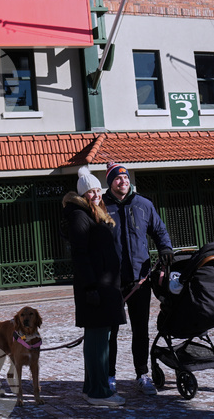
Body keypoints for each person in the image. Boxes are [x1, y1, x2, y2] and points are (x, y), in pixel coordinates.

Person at [103, 162, 173, 396]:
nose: (122, 181)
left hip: (139, 279)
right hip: (112, 281)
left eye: (125, 177)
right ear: (110, 183)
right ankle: (109, 376)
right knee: (110, 332)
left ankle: (142, 374)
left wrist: (165, 248)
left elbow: (159, 230)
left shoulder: (143, 204)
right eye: (117, 178)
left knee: (140, 330)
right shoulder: (101, 206)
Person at [62, 166, 126, 407]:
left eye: (98, 190)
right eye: (91, 191)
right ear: (82, 194)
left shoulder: (94, 214)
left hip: (105, 287)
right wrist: (90, 287)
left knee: (99, 338)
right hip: (96, 288)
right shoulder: (80, 216)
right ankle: (99, 392)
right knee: (98, 341)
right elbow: (80, 255)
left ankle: (91, 388)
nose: (96, 195)